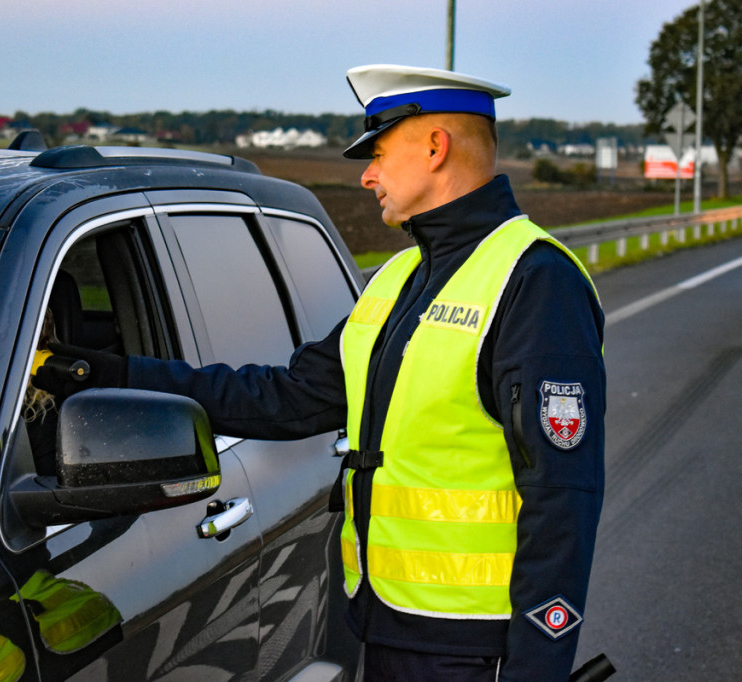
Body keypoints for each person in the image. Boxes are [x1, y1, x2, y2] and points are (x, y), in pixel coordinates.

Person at [35, 64, 605, 681]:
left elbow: (561, 495)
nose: (367, 176)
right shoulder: (398, 280)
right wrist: (101, 371)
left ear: (435, 147)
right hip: (387, 624)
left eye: (379, 154)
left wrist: (537, 670)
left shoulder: (534, 279)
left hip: (473, 647)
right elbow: (286, 398)